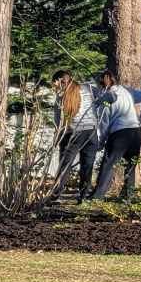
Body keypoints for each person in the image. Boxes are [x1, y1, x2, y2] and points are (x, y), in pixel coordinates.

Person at [90, 69, 141, 201]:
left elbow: (104, 123)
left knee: (108, 164)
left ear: (105, 81)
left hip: (120, 133)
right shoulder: (126, 91)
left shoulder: (107, 97)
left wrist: (101, 142)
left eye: (100, 85)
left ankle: (98, 196)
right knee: (131, 165)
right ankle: (128, 195)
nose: (99, 89)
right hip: (136, 131)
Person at [53, 72, 99, 201]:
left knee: (65, 165)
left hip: (73, 133)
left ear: (60, 81)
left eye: (55, 84)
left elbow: (58, 122)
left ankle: (56, 195)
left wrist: (57, 138)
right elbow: (103, 98)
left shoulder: (60, 96)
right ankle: (83, 196)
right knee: (87, 165)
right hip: (91, 131)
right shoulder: (88, 88)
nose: (55, 87)